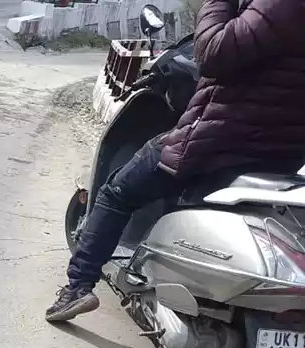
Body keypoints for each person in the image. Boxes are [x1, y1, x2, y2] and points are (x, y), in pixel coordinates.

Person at [45, 0, 305, 323]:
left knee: (117, 191)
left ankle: (77, 287)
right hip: (282, 153)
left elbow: (212, 51)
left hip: (223, 140)